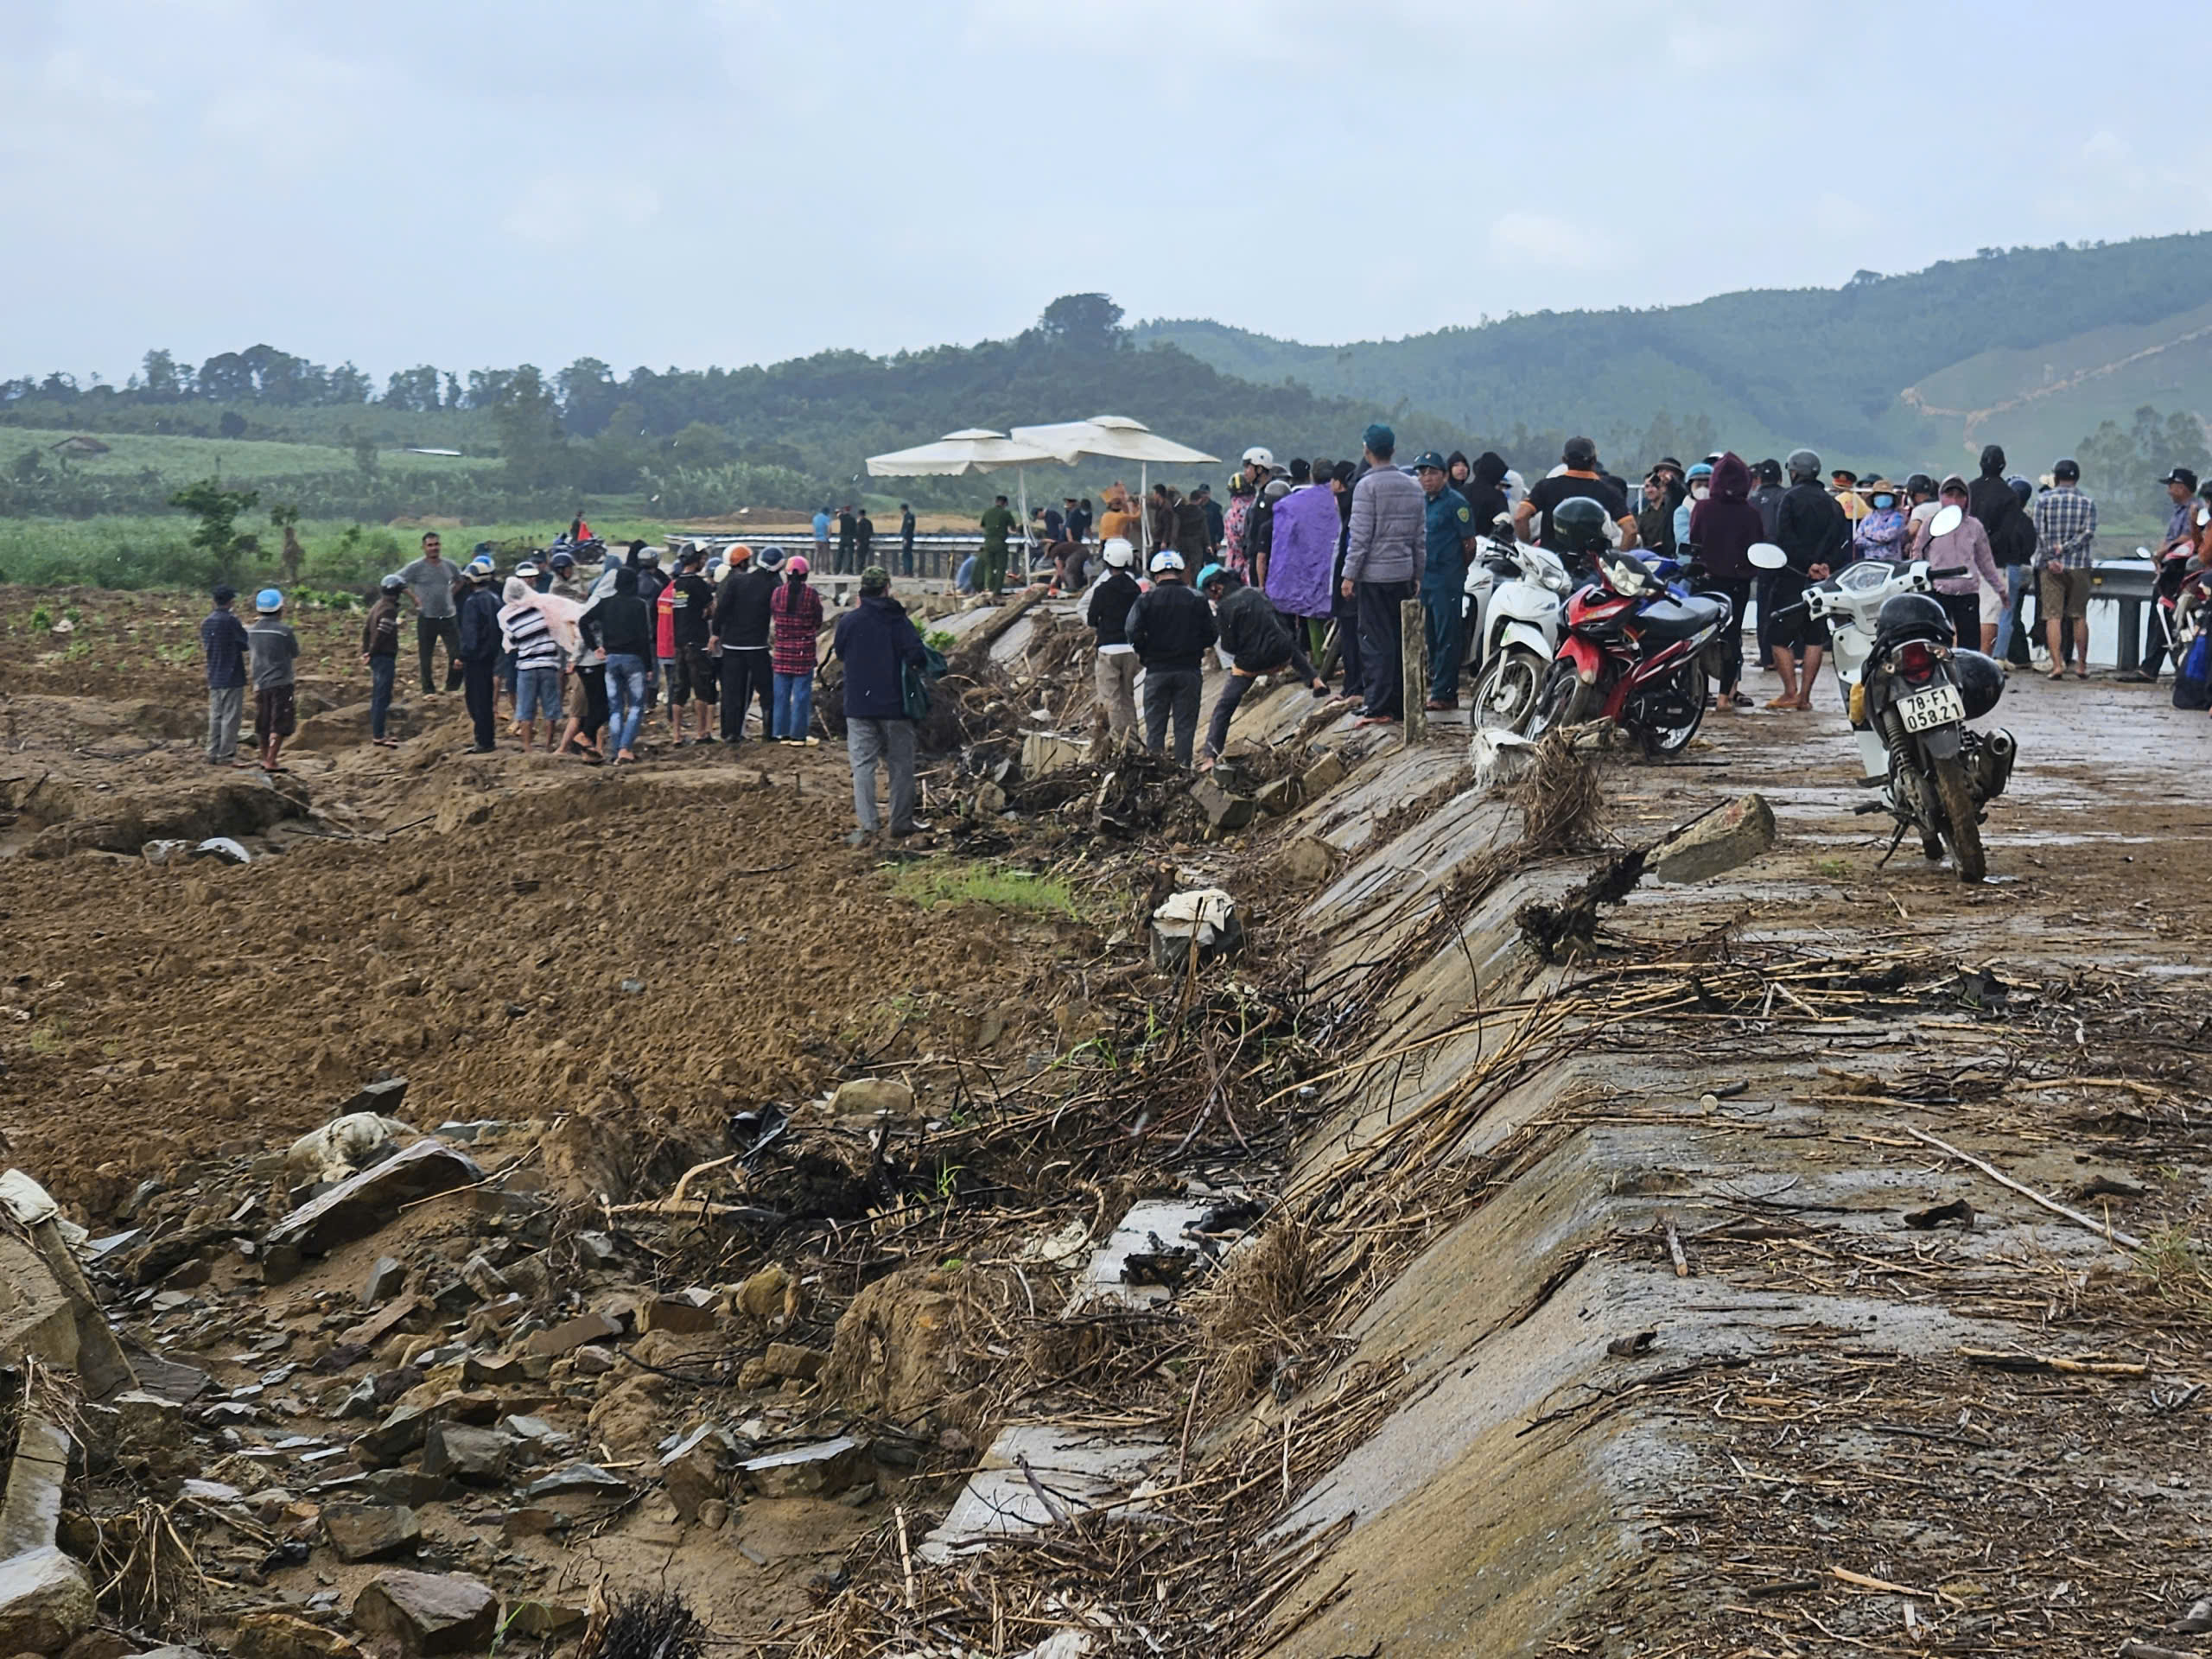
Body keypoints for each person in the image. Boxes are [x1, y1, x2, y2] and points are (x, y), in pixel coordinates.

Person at [833, 566, 928, 846]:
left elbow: (839, 652)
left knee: (863, 766)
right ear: (886, 589)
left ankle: (868, 826)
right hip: (895, 706)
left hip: (858, 706)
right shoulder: (898, 620)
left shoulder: (849, 622)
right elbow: (916, 655)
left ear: (862, 591)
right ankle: (900, 822)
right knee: (900, 765)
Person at [1197, 564, 1328, 765]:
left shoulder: (1224, 608)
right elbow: (1282, 624)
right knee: (1288, 644)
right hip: (1282, 653)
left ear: (1216, 587)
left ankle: (1209, 755)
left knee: (1225, 706)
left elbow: (1229, 646)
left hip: (1252, 663)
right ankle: (1315, 679)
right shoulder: (1257, 593)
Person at [1343, 423, 1424, 726]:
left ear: (1367, 451)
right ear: (1392, 450)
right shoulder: (1413, 485)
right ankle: (1400, 704)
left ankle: (1378, 706)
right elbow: (1420, 536)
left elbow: (1360, 536)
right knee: (1400, 640)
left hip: (1374, 576)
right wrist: (1418, 572)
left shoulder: (1367, 486)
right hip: (1402, 574)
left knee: (1376, 642)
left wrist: (1349, 575)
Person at [1770, 448, 1849, 710]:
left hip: (1793, 577)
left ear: (1794, 472)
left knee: (1779, 637)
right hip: (1822, 582)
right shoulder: (1833, 504)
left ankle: (1789, 692)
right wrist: (1826, 566)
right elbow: (1843, 543)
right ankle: (1805, 696)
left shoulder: (1789, 499)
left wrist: (1807, 565)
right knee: (1815, 637)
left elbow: (1784, 538)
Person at [1687, 453, 1764, 713]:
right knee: (1731, 639)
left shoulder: (1702, 509)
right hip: (1737, 585)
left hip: (1705, 582)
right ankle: (1723, 698)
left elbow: (1694, 541)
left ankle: (1699, 692)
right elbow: (1756, 549)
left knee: (1698, 639)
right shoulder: (1751, 514)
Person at [1126, 550, 1215, 764]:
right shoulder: (1197, 598)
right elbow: (1212, 633)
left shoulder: (1145, 600)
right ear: (1181, 572)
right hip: (1189, 671)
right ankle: (1183, 770)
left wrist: (1145, 651)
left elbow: (1131, 631)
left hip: (1157, 671)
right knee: (1185, 726)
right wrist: (1195, 647)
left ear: (1156, 575)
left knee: (1155, 727)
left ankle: (1156, 773)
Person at [1412, 451, 1477, 709]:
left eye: (1432, 473)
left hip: (1448, 577)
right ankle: (1435, 684)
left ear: (1445, 475)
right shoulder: (1423, 502)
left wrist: (1458, 569)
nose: (1426, 478)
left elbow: (1469, 544)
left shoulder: (1456, 503)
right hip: (1426, 578)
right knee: (1431, 636)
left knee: (1448, 634)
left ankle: (1445, 693)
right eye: (1422, 473)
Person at [2126, 467, 2202, 683]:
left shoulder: (2194, 509)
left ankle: (2153, 667)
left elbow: (2188, 539)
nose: (2169, 491)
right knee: (2161, 618)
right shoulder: (2179, 511)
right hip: (2168, 570)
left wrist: (2163, 552)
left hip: (2180, 572)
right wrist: (2160, 556)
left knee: (2166, 619)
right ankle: (2151, 666)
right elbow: (2171, 538)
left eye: (2172, 486)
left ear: (2182, 487)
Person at [1967, 444, 2037, 667]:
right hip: (1995, 562)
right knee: (1990, 614)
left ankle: (1962, 657)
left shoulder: (1969, 489)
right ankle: (1984, 661)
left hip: (1966, 560)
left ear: (1980, 464)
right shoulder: (2008, 496)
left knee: (1966, 611)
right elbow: (2006, 532)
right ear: (2003, 465)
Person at [1266, 461, 1342, 665]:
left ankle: (1319, 661)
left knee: (1313, 612)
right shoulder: (1343, 497)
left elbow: (1282, 546)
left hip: (1311, 570)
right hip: (1343, 567)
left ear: (1312, 477)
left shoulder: (1293, 504)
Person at [1516, 436, 1637, 558]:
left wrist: (1529, 551)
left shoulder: (1546, 486)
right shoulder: (1610, 491)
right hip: (1593, 568)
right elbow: (1631, 530)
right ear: (1594, 461)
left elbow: (1520, 517)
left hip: (1551, 565)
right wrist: (1618, 560)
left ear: (1564, 460)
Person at [2033, 457, 2098, 681]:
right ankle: (2081, 666)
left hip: (2051, 567)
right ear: (2076, 478)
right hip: (2079, 564)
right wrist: (2067, 548)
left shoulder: (2043, 500)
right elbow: (2088, 533)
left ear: (2056, 477)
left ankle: (2057, 665)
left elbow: (2040, 533)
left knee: (2053, 616)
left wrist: (2053, 556)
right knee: (2079, 616)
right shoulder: (2088, 502)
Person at [1924, 475, 2003, 652]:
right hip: (1939, 590)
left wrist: (1999, 589)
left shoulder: (1974, 526)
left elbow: (1985, 561)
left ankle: (1967, 677)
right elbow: (1918, 553)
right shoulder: (1930, 523)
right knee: (1938, 642)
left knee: (1970, 645)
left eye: (1960, 496)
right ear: (1941, 497)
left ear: (1967, 499)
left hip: (1967, 591)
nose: (1954, 500)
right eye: (1949, 494)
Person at [712, 543, 778, 741]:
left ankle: (730, 733)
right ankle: (769, 732)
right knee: (766, 691)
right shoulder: (768, 584)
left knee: (732, 692)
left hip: (732, 647)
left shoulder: (731, 583)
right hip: (757, 647)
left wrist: (715, 633)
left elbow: (721, 610)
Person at [1080, 537, 1143, 741]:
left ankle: (1119, 743)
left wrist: (1104, 626)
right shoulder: (1135, 589)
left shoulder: (1102, 590)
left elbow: (1091, 619)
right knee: (1128, 697)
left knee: (1112, 699)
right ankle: (1133, 739)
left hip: (1108, 649)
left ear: (1107, 562)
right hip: (1131, 650)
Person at [499, 575, 563, 753]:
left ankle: (527, 747)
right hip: (549, 665)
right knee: (550, 706)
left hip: (526, 667)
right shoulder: (544, 611)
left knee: (526, 707)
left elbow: (512, 643)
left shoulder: (511, 620)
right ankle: (548, 745)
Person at [596, 566, 653, 764]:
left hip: (611, 660)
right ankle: (625, 748)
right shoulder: (639, 605)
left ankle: (614, 750)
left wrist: (594, 646)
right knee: (636, 706)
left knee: (615, 708)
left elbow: (584, 620)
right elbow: (644, 637)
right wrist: (649, 666)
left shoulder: (606, 603)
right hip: (634, 660)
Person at [664, 546, 720, 745]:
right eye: (703, 558)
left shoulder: (677, 584)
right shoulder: (699, 584)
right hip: (697, 641)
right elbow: (711, 609)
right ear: (696, 560)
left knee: (680, 690)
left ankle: (677, 734)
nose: (704, 562)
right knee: (701, 689)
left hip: (679, 642)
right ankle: (701, 732)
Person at [397, 531, 462, 695]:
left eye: (436, 545)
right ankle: (428, 689)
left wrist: (451, 594)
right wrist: (414, 598)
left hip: (448, 616)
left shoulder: (449, 565)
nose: (434, 548)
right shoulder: (416, 567)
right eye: (430, 545)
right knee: (425, 656)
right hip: (427, 617)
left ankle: (452, 687)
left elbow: (461, 579)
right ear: (424, 548)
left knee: (456, 654)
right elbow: (397, 579)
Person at [769, 554, 823, 741]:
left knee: (781, 695)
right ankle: (798, 735)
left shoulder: (777, 593)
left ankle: (779, 732)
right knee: (801, 696)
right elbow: (818, 621)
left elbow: (775, 616)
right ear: (805, 576)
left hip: (782, 651)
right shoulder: (811, 595)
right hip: (803, 652)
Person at [246, 588, 299, 774]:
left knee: (263, 721)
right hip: (281, 682)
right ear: (280, 609)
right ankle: (271, 760)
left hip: (259, 683)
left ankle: (264, 757)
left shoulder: (251, 631)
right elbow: (294, 653)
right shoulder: (285, 631)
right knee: (279, 722)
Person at [454, 563, 504, 753]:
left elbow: (470, 634)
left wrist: (463, 656)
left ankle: (483, 741)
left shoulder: (472, 602)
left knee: (476, 700)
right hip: (491, 656)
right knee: (485, 698)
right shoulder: (495, 599)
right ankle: (486, 738)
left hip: (475, 659)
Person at [200, 583, 251, 767]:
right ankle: (226, 756)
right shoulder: (231, 621)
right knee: (231, 717)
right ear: (230, 602)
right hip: (232, 675)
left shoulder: (206, 622)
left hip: (214, 675)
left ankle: (211, 752)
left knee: (216, 715)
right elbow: (245, 644)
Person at [361, 574, 405, 748]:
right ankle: (378, 735)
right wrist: (371, 652)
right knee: (382, 696)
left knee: (378, 695)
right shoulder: (389, 610)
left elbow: (366, 630)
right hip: (384, 657)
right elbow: (381, 634)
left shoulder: (377, 606)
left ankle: (379, 733)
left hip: (376, 657)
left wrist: (365, 652)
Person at [977, 494, 1017, 595]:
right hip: (1000, 544)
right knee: (1001, 568)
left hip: (988, 543)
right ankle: (997, 591)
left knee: (989, 567)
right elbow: (1013, 529)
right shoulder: (1006, 513)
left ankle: (989, 588)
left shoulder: (987, 512)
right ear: (1005, 503)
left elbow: (983, 526)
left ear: (996, 502)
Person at [1672, 461, 1713, 552]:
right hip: (1689, 561)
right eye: (1698, 486)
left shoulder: (1719, 510)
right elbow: (1683, 540)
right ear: (1689, 488)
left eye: (1707, 486)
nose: (1703, 490)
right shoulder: (1683, 511)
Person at [1637, 474, 1676, 558]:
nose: (1649, 490)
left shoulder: (1672, 510)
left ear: (1662, 488)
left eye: (1653, 486)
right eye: (1647, 487)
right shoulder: (1642, 516)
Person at [1900, 474, 1941, 555]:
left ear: (1911, 493)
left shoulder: (1919, 510)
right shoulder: (1941, 505)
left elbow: (1912, 530)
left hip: (1927, 552)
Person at [836, 505, 858, 575]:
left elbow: (837, 514)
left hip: (842, 537)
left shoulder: (842, 517)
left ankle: (837, 570)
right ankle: (849, 570)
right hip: (850, 538)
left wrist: (840, 511)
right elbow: (855, 530)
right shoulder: (853, 519)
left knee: (840, 555)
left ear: (844, 510)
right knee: (850, 555)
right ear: (850, 510)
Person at [899, 504, 917, 578]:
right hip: (907, 538)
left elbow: (908, 529)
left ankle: (908, 572)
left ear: (903, 509)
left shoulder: (909, 516)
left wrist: (905, 538)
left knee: (906, 555)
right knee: (907, 555)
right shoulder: (907, 516)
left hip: (908, 538)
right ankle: (907, 572)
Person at [812, 505, 832, 570]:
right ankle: (826, 570)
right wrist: (828, 537)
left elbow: (814, 529)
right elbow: (829, 528)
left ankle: (816, 570)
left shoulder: (815, 518)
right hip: (824, 539)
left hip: (817, 539)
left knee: (817, 555)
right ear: (827, 512)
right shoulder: (827, 518)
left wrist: (815, 537)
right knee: (826, 555)